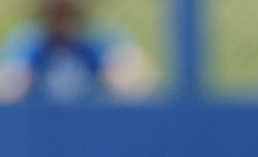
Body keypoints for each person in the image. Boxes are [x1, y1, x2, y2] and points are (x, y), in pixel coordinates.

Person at [0, 0, 155, 104]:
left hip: (89, 129)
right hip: (43, 132)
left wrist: (121, 77)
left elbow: (131, 77)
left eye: (66, 11)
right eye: (55, 11)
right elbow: (11, 81)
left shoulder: (95, 39)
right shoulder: (30, 41)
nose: (60, 17)